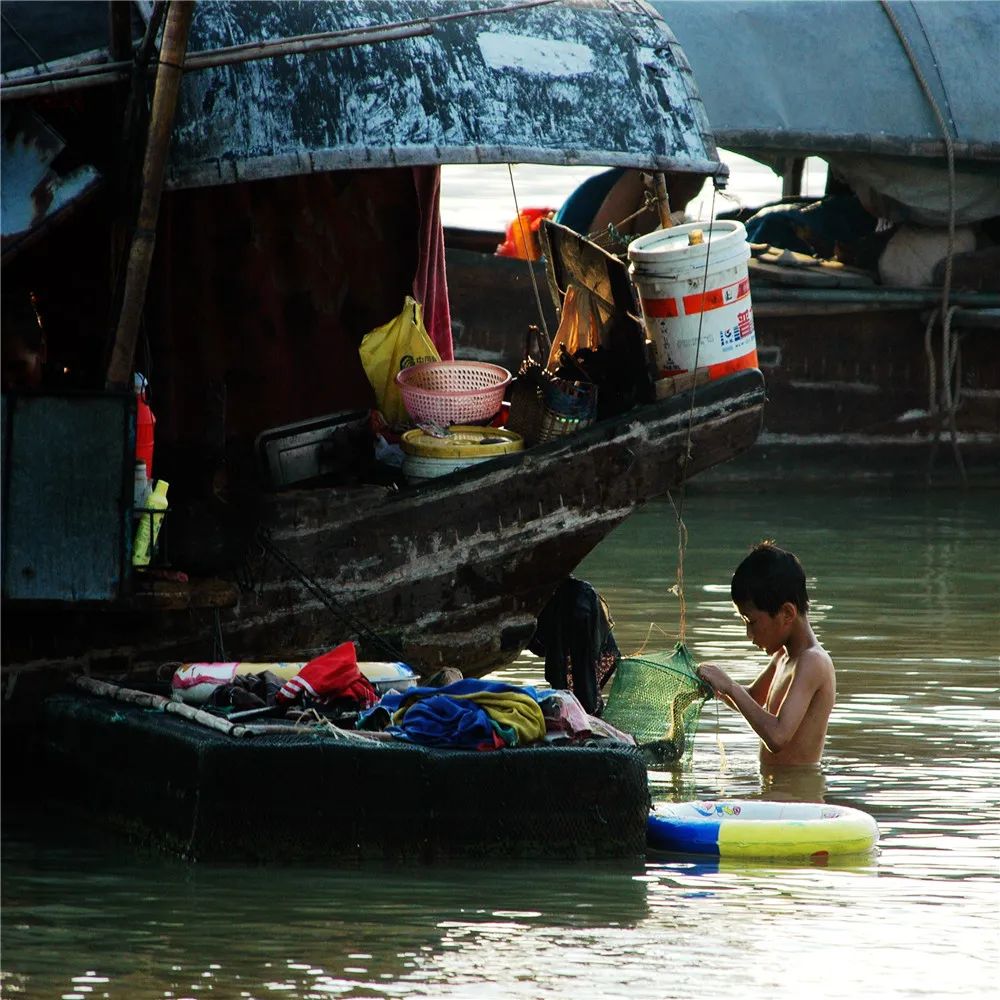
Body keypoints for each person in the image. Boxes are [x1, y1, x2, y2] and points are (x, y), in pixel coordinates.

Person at [697, 541, 835, 766]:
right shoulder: (782, 657)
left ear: (787, 613)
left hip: (797, 795)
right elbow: (753, 698)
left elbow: (778, 736)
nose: (749, 635)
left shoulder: (813, 661)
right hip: (774, 790)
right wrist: (717, 690)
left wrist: (730, 686)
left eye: (752, 622)